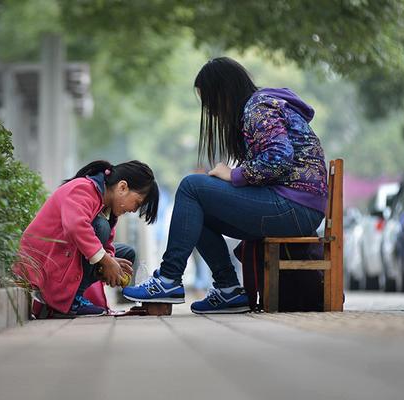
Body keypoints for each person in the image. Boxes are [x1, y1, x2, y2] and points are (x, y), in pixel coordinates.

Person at [122, 57, 328, 314]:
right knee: (197, 212)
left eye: (209, 101)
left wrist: (234, 175)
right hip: (295, 207)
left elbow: (279, 158)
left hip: (293, 206)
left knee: (191, 187)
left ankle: (168, 279)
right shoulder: (260, 107)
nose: (209, 110)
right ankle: (229, 289)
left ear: (223, 91)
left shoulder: (258, 108)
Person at [14, 160, 159, 317]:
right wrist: (106, 260)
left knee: (125, 254)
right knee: (101, 228)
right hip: (44, 263)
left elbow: (107, 244)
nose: (133, 211)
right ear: (122, 187)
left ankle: (73, 297)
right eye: (137, 204)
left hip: (63, 256)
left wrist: (109, 262)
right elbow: (75, 227)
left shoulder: (108, 209)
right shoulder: (83, 188)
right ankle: (69, 302)